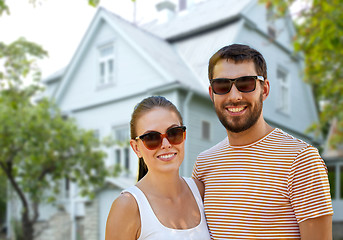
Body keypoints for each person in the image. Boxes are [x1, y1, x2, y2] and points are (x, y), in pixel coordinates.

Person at [192, 44, 333, 239]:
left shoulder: (301, 159)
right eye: (222, 85)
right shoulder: (204, 164)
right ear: (211, 94)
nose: (234, 96)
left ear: (264, 89)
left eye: (246, 83)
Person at [106, 96, 211, 240]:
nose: (166, 144)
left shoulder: (201, 192)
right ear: (136, 148)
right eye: (151, 138)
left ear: (184, 135)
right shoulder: (128, 206)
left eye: (174, 133)